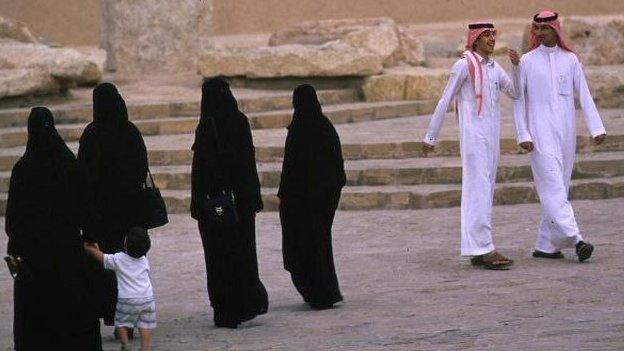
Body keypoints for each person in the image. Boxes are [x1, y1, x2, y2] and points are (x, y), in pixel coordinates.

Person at [422, 23, 520, 269]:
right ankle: (485, 248)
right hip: (474, 138)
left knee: (484, 191)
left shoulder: (494, 68)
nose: (491, 39)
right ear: (475, 39)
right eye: (486, 35)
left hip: (492, 138)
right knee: (478, 190)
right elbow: (445, 99)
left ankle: (477, 248)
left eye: (493, 35)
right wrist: (430, 137)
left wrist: (517, 66)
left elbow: (516, 92)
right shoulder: (463, 65)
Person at [513, 10, 606, 262]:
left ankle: (546, 245)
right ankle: (577, 240)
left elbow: (583, 96)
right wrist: (523, 132)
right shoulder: (527, 61)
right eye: (537, 29)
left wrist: (596, 128)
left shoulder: (571, 60)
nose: (541, 33)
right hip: (539, 133)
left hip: (566, 132)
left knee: (559, 187)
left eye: (545, 28)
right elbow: (518, 101)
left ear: (555, 29)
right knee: (553, 186)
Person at [5, 107, 102, 350]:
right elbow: (87, 210)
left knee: (38, 322)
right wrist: (90, 238)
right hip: (69, 254)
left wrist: (16, 248)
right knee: (72, 318)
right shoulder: (70, 165)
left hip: (34, 260)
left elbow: (14, 220)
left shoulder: (23, 169)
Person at [191, 77, 268, 328]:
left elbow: (200, 172)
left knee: (218, 259)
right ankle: (247, 303)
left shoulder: (205, 127)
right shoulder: (239, 122)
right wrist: (253, 199)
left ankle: (225, 310)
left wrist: (198, 206)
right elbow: (248, 164)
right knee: (243, 253)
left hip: (214, 206)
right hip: (241, 204)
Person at [78, 82, 149, 326]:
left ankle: (111, 313)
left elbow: (83, 176)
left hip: (102, 216)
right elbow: (142, 168)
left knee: (106, 268)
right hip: (129, 213)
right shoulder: (130, 132)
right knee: (129, 268)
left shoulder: (91, 135)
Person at [278, 84, 346, 309]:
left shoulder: (298, 130)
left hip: (300, 203)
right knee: (319, 245)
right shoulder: (324, 128)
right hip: (320, 202)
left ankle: (316, 291)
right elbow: (337, 170)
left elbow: (291, 170)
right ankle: (324, 290)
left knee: (304, 247)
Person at [84, 227, 155, 351]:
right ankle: (145, 348)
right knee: (145, 324)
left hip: (127, 299)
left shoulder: (119, 259)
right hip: (147, 298)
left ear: (125, 245)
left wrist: (89, 248)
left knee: (121, 322)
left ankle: (125, 344)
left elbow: (102, 257)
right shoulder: (144, 261)